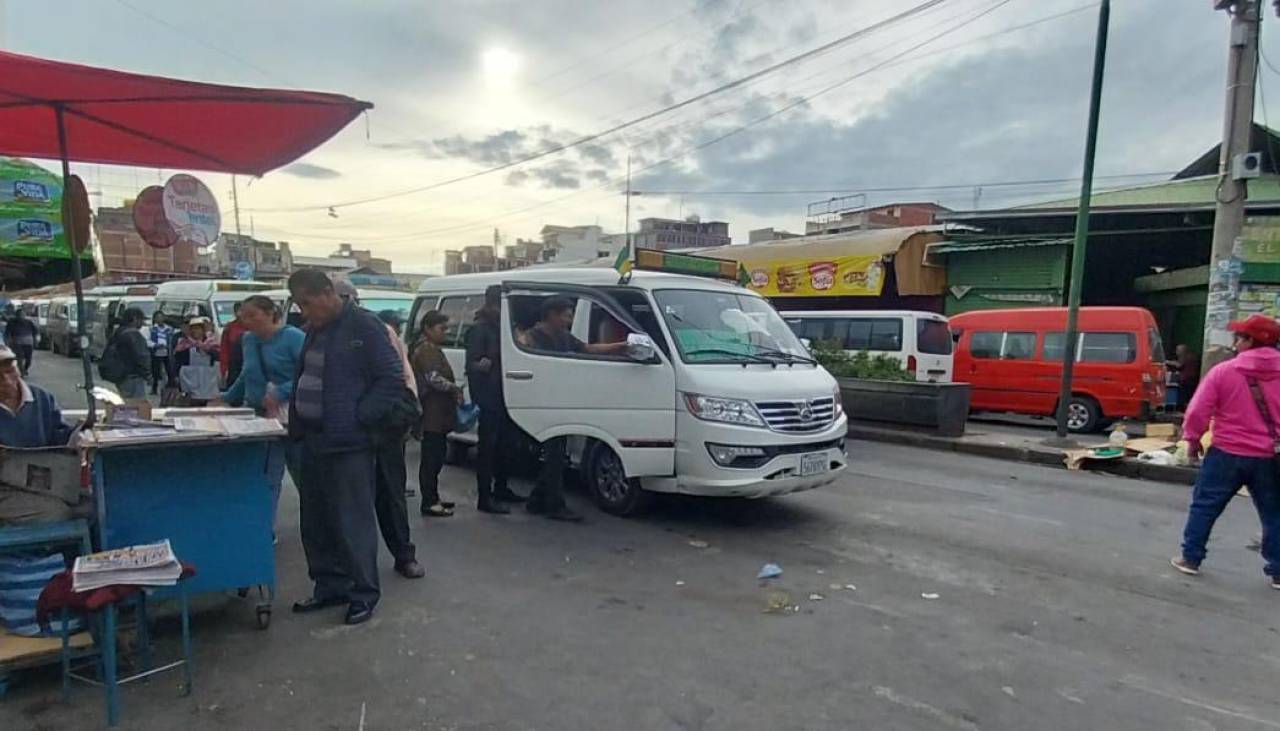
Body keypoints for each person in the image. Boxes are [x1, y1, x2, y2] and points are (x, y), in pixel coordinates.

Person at [287, 270, 406, 625]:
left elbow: (391, 379)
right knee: (317, 520)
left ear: (328, 293)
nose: (305, 312)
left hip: (347, 443)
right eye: (299, 305)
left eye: (308, 303)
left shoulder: (364, 327)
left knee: (352, 521)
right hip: (312, 438)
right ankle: (329, 586)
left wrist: (360, 417)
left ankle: (363, 593)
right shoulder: (316, 329)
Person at [1173, 314, 1280, 591]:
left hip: (1226, 453)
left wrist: (1192, 440)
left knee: (1205, 507)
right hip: (1271, 457)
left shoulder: (1224, 372)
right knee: (1274, 514)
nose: (1235, 341)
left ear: (1249, 341)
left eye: (1240, 337)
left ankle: (1190, 559)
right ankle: (1278, 572)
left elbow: (1198, 411)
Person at [524, 297, 629, 522]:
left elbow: (587, 348)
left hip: (561, 400)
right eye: (566, 314)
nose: (569, 319)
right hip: (542, 401)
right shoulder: (532, 338)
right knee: (553, 454)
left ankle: (536, 500)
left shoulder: (563, 337)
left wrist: (620, 346)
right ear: (552, 314)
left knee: (557, 454)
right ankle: (554, 505)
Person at [220, 295, 305, 536]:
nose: (247, 322)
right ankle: (265, 529)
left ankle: (320, 522)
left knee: (304, 474)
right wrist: (226, 398)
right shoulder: (249, 340)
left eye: (253, 315)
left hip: (293, 417)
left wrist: (282, 391)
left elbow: (310, 373)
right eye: (243, 316)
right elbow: (247, 374)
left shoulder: (293, 338)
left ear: (270, 313)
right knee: (267, 475)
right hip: (261, 417)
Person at [464, 285, 526, 514]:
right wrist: (483, 366)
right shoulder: (481, 329)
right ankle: (485, 496)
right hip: (490, 397)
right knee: (488, 449)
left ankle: (501, 487)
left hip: (506, 395)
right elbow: (471, 364)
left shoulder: (503, 327)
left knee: (506, 447)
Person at [412, 310, 463, 518]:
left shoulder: (432, 348)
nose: (446, 333)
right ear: (428, 329)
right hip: (431, 411)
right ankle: (429, 500)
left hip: (438, 412)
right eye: (442, 329)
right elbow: (433, 379)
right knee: (432, 457)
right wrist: (454, 388)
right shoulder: (426, 350)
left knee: (437, 455)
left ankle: (433, 496)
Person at [0, 345, 74, 449]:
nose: (6, 380)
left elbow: (59, 437)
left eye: (10, 371)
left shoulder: (42, 397)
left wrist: (79, 433)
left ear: (18, 370)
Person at [174, 317, 221, 405]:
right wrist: (176, 376)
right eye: (192, 329)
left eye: (197, 328)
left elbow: (218, 355)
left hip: (207, 379)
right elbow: (178, 360)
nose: (195, 331)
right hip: (190, 378)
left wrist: (206, 349)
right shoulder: (184, 343)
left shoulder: (211, 342)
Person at [108, 307, 152, 400]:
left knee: (126, 403)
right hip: (133, 376)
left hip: (121, 376)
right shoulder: (134, 334)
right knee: (136, 405)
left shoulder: (119, 332)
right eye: (141, 320)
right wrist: (148, 374)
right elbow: (142, 357)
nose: (142, 323)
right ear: (134, 319)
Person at [220, 302, 247, 389]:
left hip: (248, 364)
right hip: (233, 366)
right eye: (237, 311)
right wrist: (224, 369)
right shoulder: (229, 328)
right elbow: (224, 349)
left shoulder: (253, 327)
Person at [148, 311, 176, 395]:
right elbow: (148, 341)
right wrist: (155, 345)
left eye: (161, 317)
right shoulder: (152, 329)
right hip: (156, 353)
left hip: (167, 353)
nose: (160, 319)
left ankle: (170, 389)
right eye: (158, 317)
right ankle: (154, 388)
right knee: (155, 372)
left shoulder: (169, 329)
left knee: (170, 370)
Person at [1167, 344, 1201, 411]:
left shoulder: (1185, 356)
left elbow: (1179, 365)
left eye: (1178, 350)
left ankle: (1182, 408)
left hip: (1186, 379)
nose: (1176, 352)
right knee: (1189, 395)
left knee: (1183, 395)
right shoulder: (1192, 356)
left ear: (1182, 350)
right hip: (1193, 378)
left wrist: (1168, 362)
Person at [4, 311, 36, 376]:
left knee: (28, 360)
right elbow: (7, 333)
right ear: (16, 316)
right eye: (20, 315)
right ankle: (21, 372)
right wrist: (7, 342)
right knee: (19, 358)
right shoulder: (11, 323)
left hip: (28, 343)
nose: (21, 316)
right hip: (17, 343)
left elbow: (35, 331)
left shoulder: (29, 322)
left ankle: (25, 369)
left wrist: (37, 338)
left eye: (23, 315)